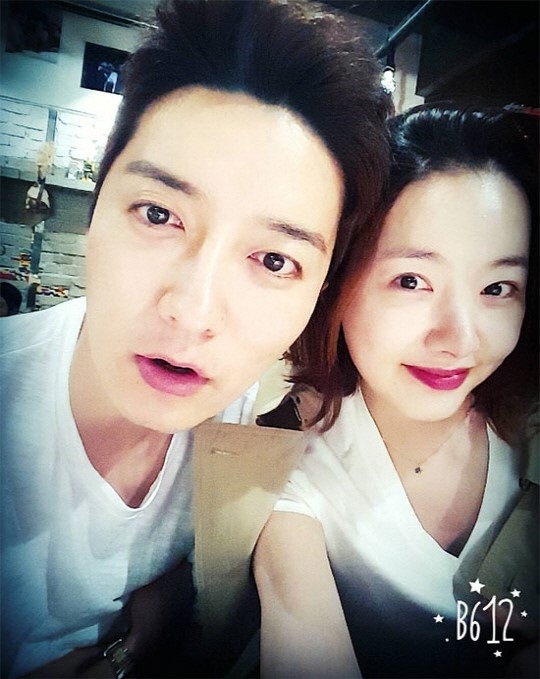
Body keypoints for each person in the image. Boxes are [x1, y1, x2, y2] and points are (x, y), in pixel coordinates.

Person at [0, 1, 391, 677]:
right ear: (94, 208)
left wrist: (162, 609)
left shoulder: (254, 432)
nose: (192, 311)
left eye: (274, 260)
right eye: (159, 214)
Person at [255, 104, 539, 678]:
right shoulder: (287, 465)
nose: (459, 339)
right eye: (411, 281)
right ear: (337, 281)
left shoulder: (527, 427)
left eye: (497, 288)